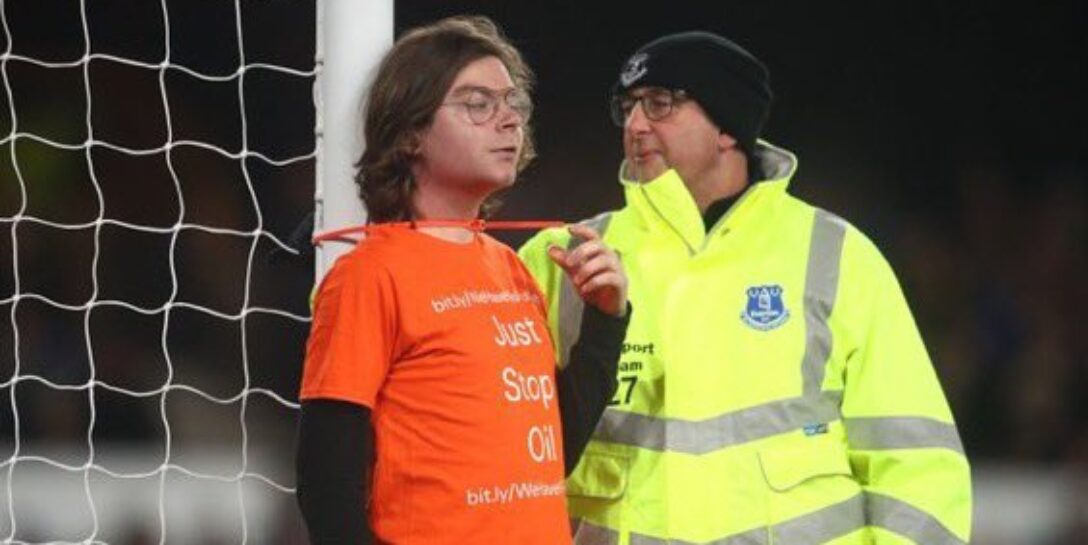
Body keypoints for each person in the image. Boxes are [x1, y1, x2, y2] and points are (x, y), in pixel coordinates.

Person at [519, 31, 971, 544]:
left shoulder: (838, 254)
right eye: (628, 107)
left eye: (660, 103)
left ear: (728, 129)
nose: (636, 124)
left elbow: (916, 464)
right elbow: (495, 460)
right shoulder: (563, 258)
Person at [296, 16, 630, 545]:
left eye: (512, 103)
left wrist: (606, 322)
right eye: (478, 103)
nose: (508, 121)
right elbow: (326, 488)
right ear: (409, 132)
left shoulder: (509, 267)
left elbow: (550, 456)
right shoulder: (368, 276)